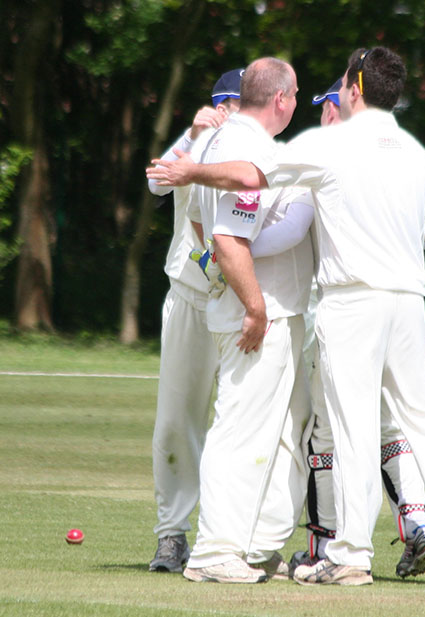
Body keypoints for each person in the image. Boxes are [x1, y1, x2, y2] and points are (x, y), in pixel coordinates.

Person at [147, 47, 425, 586]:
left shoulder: (327, 146)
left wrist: (190, 170)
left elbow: (249, 177)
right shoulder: (419, 154)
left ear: (354, 88)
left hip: (351, 300)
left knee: (348, 429)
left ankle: (350, 554)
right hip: (407, 300)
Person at [291, 78, 425, 580]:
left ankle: (326, 547)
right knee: (389, 426)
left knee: (328, 435)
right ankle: (419, 523)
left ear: (343, 110)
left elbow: (288, 229)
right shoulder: (392, 162)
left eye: (328, 108)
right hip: (395, 313)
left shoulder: (326, 162)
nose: (324, 116)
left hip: (338, 313)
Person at [181, 56, 313, 585]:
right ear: (280, 99)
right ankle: (214, 550)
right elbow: (229, 238)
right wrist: (255, 307)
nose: (299, 101)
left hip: (252, 305)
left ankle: (254, 547)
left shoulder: (216, 140)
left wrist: (221, 278)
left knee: (274, 434)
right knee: (238, 430)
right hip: (258, 313)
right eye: (297, 93)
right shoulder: (248, 148)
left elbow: (197, 219)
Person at [145, 68, 242, 574]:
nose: (229, 113)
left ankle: (232, 537)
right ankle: (172, 535)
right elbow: (156, 181)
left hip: (242, 302)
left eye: (239, 103)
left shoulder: (262, 151)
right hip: (188, 294)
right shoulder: (197, 145)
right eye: (224, 102)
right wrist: (193, 132)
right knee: (175, 420)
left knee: (241, 422)